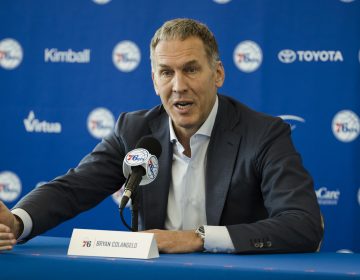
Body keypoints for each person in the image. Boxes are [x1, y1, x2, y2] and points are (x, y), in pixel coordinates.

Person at [0, 18, 323, 254]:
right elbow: (72, 189)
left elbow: (303, 224)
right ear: (155, 81)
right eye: (167, 73)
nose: (179, 85)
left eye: (191, 69)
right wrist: (15, 222)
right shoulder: (134, 129)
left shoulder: (263, 134)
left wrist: (199, 238)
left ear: (219, 74)